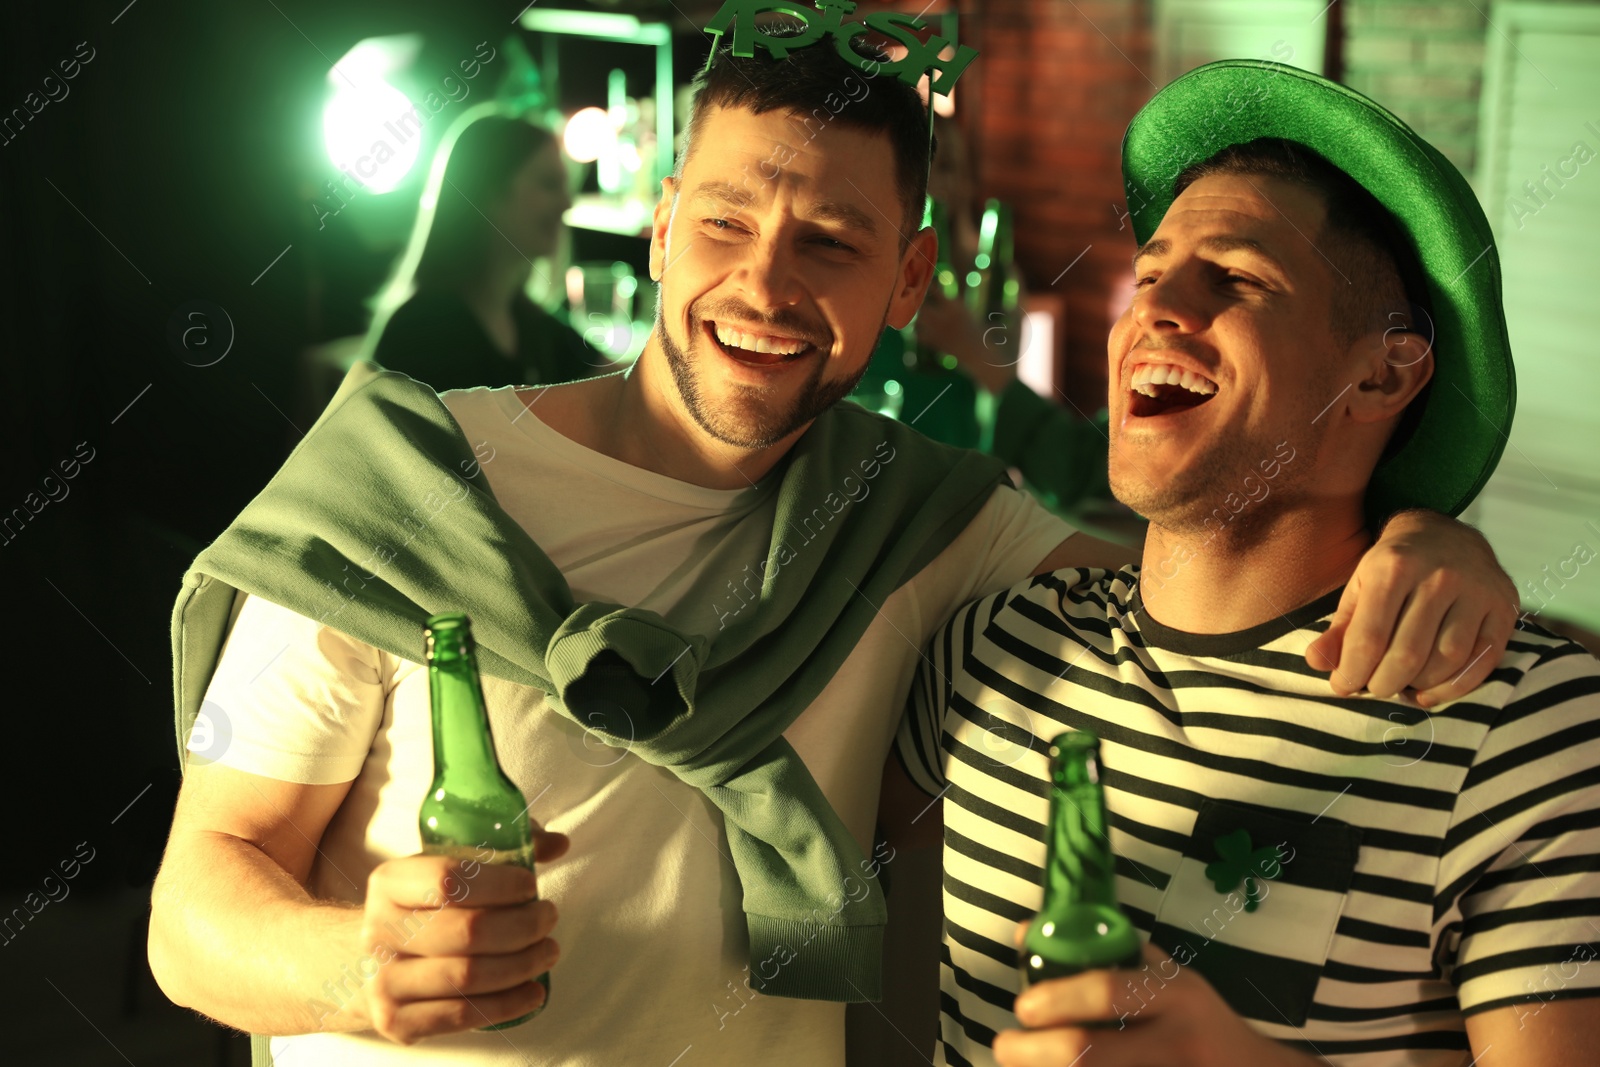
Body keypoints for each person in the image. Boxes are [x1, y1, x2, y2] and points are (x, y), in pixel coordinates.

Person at [150, 24, 1514, 1067]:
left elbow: (1213, 567)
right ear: (665, 219)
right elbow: (191, 910)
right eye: (730, 224)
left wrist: (1435, 533)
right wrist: (350, 965)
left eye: (833, 241)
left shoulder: (918, 518)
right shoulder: (401, 489)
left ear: (907, 283)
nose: (765, 283)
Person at [890, 61, 1598, 1067]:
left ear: (1383, 369)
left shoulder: (1523, 725)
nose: (1155, 308)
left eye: (1237, 276)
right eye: (1150, 272)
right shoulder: (995, 649)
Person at [365, 107, 609, 391]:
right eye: (549, 184)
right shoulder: (419, 333)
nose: (567, 203)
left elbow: (619, 380)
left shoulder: (531, 321)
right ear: (489, 193)